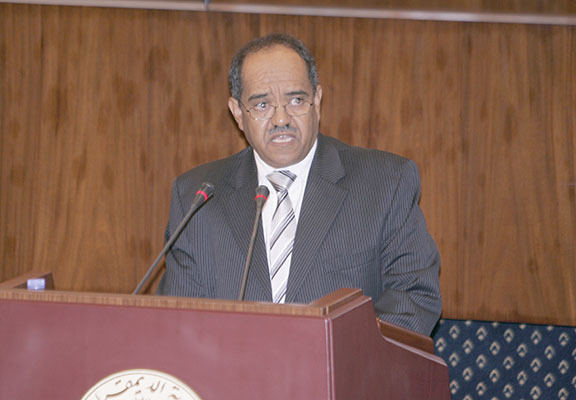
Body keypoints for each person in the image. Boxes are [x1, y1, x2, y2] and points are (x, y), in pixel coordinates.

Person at [157, 33, 442, 336]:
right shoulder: (198, 197)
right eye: (262, 104)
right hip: (231, 366)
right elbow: (178, 323)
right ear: (238, 113)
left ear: (317, 101)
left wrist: (335, 355)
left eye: (296, 100)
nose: (281, 119)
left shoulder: (385, 183)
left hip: (340, 365)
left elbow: (414, 297)